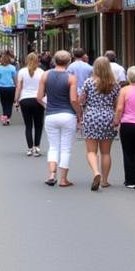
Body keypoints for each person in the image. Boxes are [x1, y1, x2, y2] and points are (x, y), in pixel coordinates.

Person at [38, 50, 80, 187]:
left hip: (51, 114)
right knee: (66, 148)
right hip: (68, 115)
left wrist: (46, 106)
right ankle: (63, 179)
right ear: (69, 62)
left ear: (54, 61)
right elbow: (74, 99)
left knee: (53, 146)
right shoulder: (71, 78)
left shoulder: (45, 75)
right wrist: (79, 113)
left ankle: (51, 174)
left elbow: (38, 97)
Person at [80, 56, 119, 190]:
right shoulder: (114, 84)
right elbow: (116, 104)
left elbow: (82, 100)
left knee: (91, 151)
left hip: (91, 116)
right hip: (108, 116)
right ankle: (105, 180)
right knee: (106, 153)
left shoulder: (89, 82)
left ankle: (96, 172)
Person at [15, 52, 45, 155]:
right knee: (38, 125)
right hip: (38, 100)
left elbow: (19, 86)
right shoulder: (41, 72)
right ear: (37, 60)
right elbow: (44, 87)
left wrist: (16, 100)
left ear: (27, 60)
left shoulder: (22, 71)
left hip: (25, 99)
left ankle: (29, 148)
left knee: (28, 125)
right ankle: (37, 147)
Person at [0, 50, 18, 124]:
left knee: (3, 103)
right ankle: (8, 118)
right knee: (10, 103)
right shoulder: (12, 68)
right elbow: (15, 78)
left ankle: (4, 116)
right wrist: (17, 87)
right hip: (11, 88)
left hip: (2, 88)